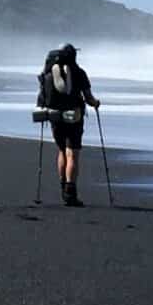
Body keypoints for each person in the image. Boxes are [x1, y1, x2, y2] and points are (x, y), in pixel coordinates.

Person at [34, 43, 100, 205]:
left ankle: (63, 186)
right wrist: (96, 103)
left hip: (54, 116)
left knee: (62, 151)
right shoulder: (79, 73)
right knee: (72, 154)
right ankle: (70, 193)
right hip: (74, 118)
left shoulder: (49, 73)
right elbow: (89, 98)